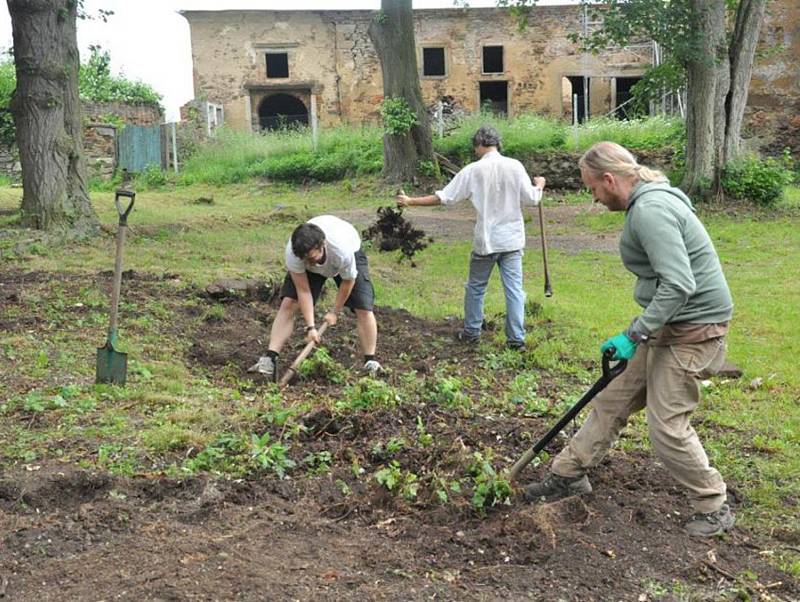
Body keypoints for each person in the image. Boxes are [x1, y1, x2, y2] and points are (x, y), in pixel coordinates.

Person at [523, 141, 735, 538]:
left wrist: (634, 332)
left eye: (593, 189)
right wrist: (643, 329)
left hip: (693, 331)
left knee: (667, 426)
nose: (595, 199)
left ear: (609, 179)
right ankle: (569, 475)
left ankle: (714, 504)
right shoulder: (649, 202)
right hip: (668, 325)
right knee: (612, 397)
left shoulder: (651, 211)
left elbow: (679, 284)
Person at [396, 125, 546, 350]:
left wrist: (410, 201)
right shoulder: (515, 166)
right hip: (512, 240)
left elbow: (444, 198)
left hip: (486, 241)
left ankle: (472, 332)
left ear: (478, 145)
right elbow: (533, 199)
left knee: (476, 287)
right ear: (497, 143)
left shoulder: (472, 170)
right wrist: (540, 185)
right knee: (514, 289)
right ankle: (516, 339)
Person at [248, 215, 380, 380]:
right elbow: (303, 291)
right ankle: (269, 358)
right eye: (305, 260)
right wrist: (311, 327)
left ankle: (370, 361)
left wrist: (334, 312)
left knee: (363, 306)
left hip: (350, 249)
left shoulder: (343, 251)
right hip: (317, 256)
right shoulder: (294, 254)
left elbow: (348, 281)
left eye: (311, 258)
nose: (308, 263)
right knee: (289, 302)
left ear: (323, 245)